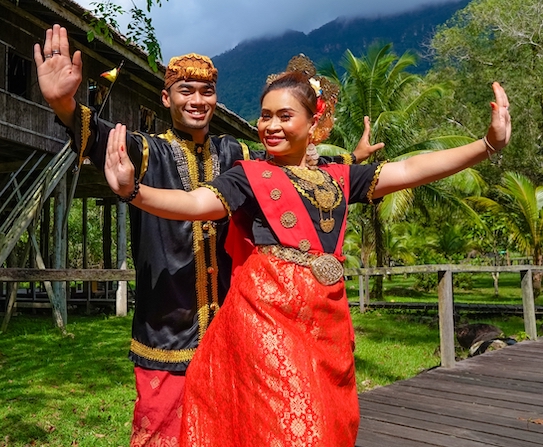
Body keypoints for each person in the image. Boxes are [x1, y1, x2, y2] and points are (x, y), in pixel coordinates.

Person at [103, 55, 511, 446]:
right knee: (294, 429)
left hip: (325, 325)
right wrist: (134, 191)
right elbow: (194, 205)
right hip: (265, 324)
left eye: (284, 116)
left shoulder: (337, 177)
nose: (271, 126)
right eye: (265, 116)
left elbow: (407, 170)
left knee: (330, 421)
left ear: (313, 122)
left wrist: (486, 145)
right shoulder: (248, 176)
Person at [34, 25, 383, 446]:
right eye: (186, 90)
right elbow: (106, 141)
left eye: (206, 91)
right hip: (167, 329)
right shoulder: (150, 151)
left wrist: (351, 158)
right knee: (161, 432)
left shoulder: (234, 154)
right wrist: (64, 104)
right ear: (167, 98)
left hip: (238, 332)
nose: (197, 100)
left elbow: (292, 162)